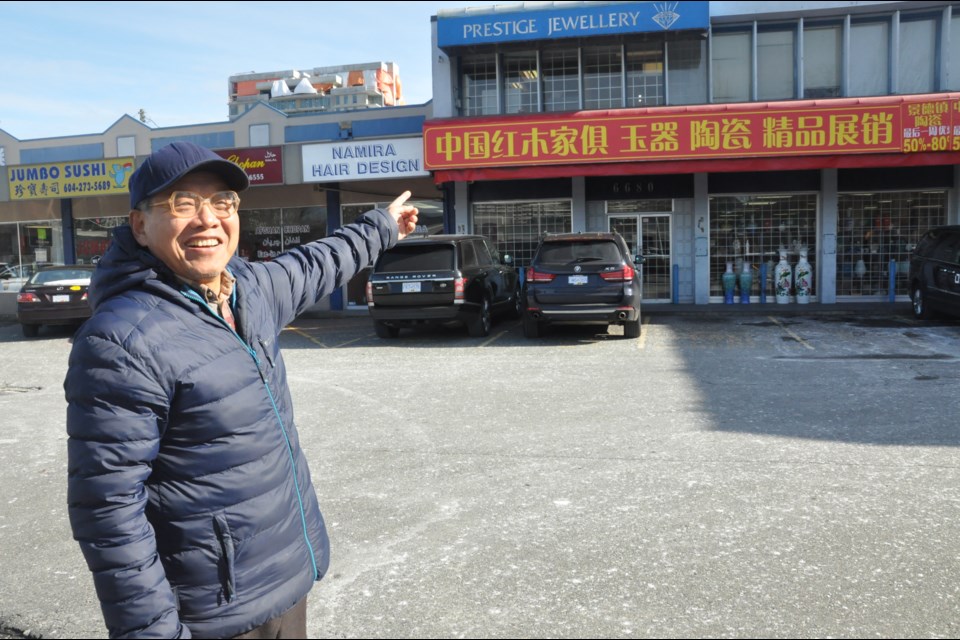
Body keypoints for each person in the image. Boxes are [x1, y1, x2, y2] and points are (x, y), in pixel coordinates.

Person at [64, 141, 418, 639]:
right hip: (215, 612)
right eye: (181, 203)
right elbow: (108, 511)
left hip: (285, 578)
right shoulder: (123, 341)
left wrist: (381, 226)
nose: (207, 219)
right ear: (140, 226)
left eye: (222, 203)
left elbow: (320, 262)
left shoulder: (248, 288)